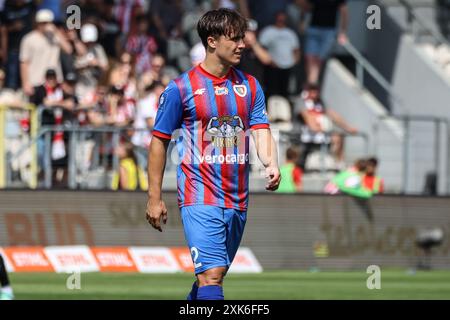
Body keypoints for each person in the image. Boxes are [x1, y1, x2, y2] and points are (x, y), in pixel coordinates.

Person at [146, 8, 280, 301]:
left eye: (242, 38)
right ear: (212, 41)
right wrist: (154, 197)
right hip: (199, 195)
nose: (242, 45)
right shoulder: (181, 88)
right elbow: (159, 141)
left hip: (237, 199)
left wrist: (271, 162)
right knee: (212, 275)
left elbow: (259, 127)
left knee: (208, 280)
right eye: (235, 38)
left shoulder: (250, 85)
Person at [19, 9, 72, 96]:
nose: (45, 25)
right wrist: (25, 83)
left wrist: (56, 31)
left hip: (55, 82)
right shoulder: (28, 39)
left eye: (48, 22)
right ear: (37, 23)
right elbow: (24, 62)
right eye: (42, 23)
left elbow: (68, 49)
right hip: (36, 82)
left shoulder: (55, 37)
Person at [298, 0, 349, 84]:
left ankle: (311, 85)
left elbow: (344, 13)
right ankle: (312, 85)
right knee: (309, 57)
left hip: (329, 31)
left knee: (319, 59)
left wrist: (343, 32)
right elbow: (306, 7)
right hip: (313, 28)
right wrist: (302, 21)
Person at [258, 11, 300, 98]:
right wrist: (269, 61)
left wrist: (294, 61)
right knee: (271, 92)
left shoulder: (290, 33)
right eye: (279, 19)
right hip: (272, 67)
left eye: (283, 19)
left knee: (285, 92)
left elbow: (296, 49)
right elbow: (262, 48)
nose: (281, 21)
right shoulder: (268, 31)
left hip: (287, 67)